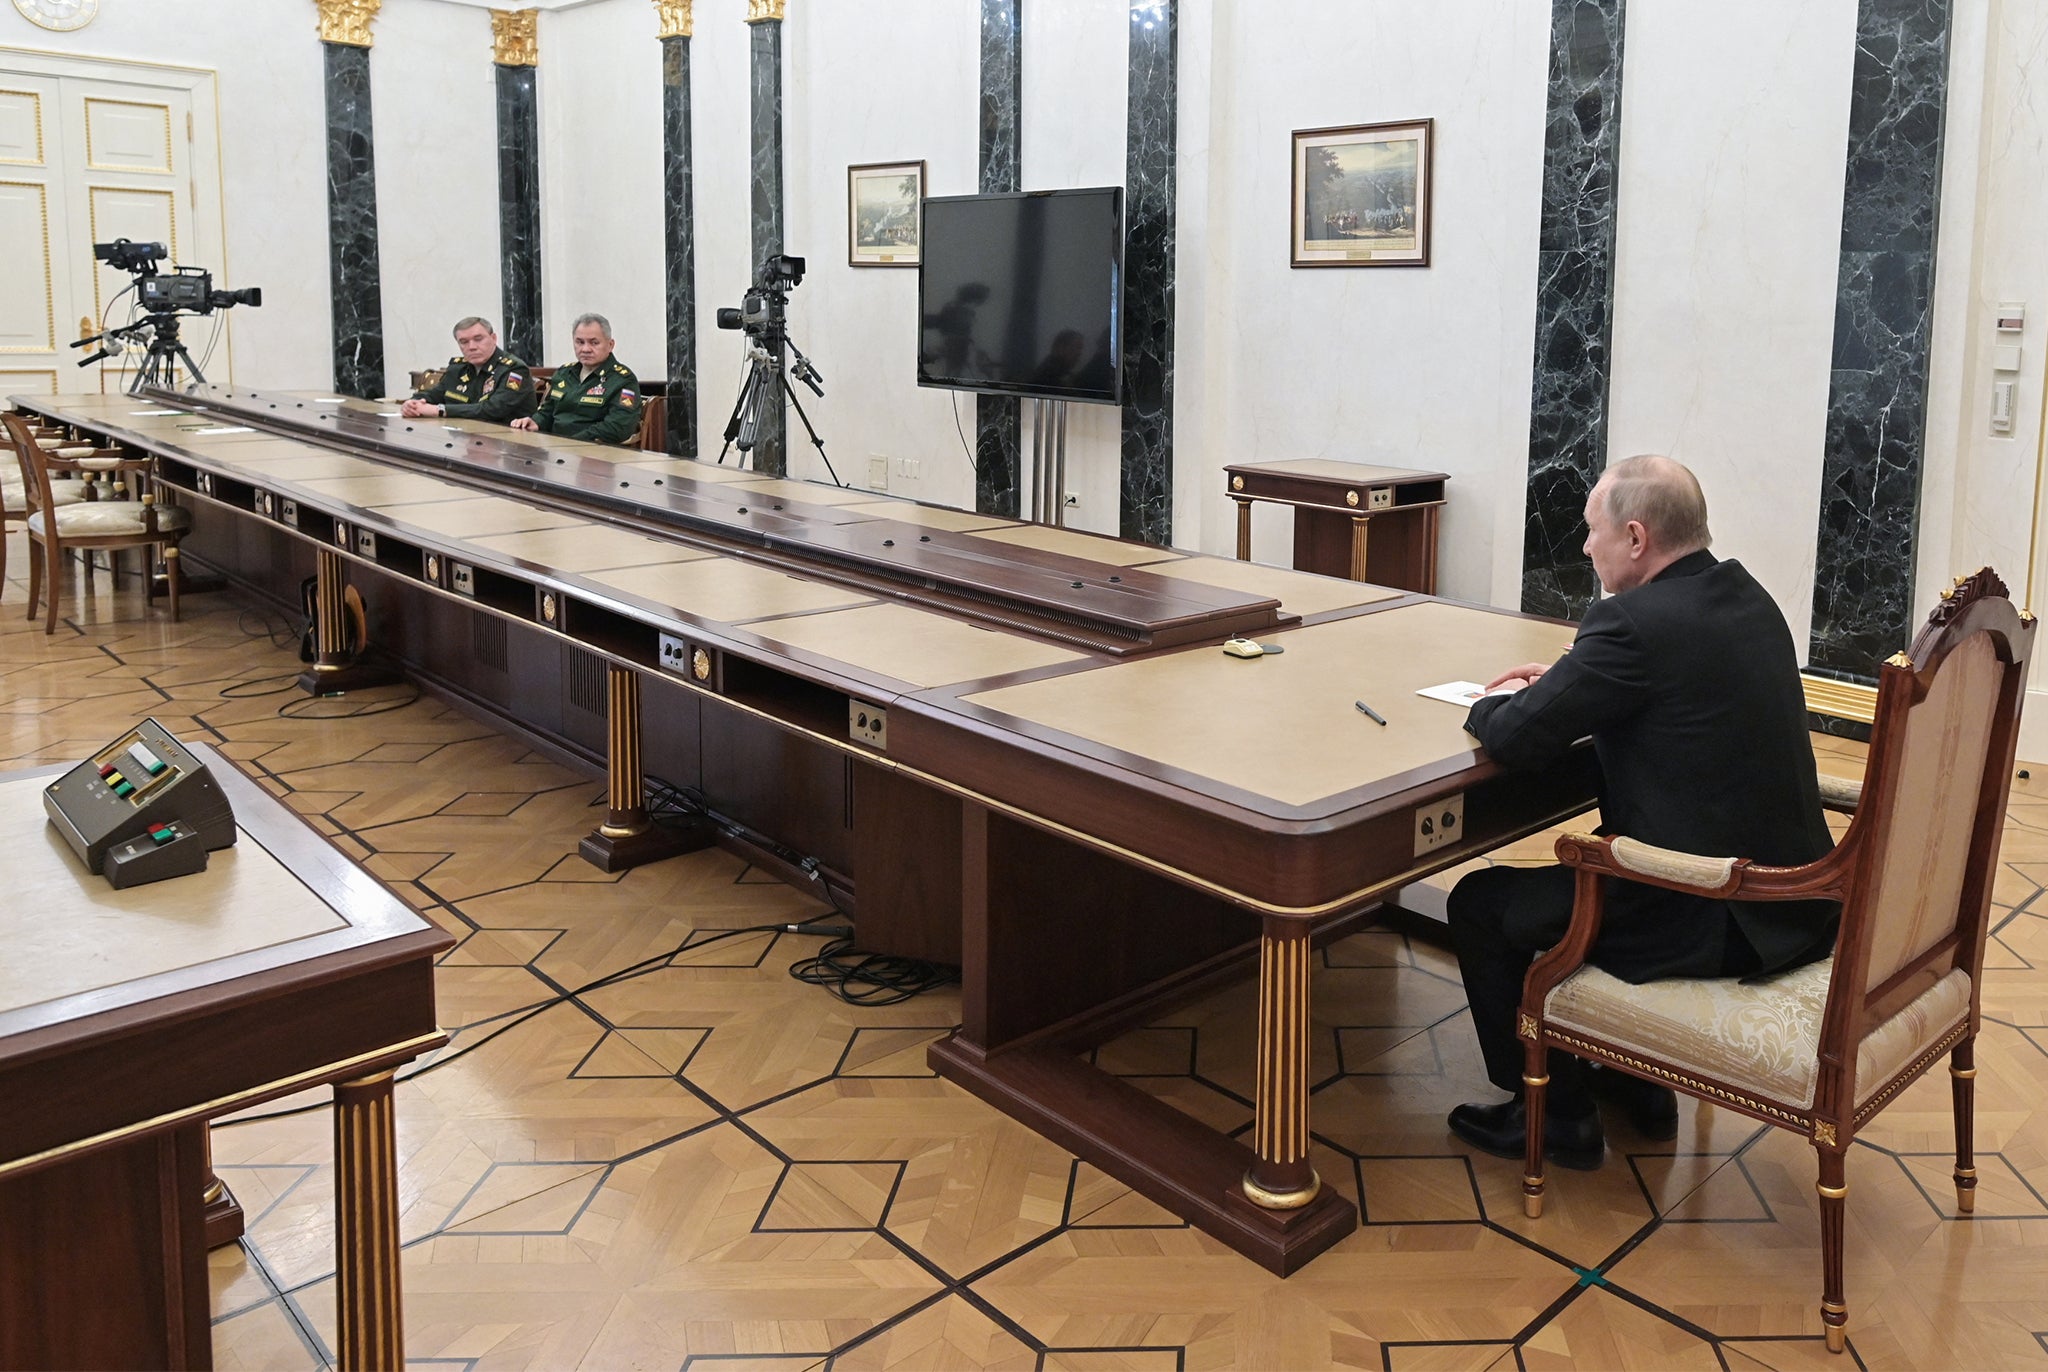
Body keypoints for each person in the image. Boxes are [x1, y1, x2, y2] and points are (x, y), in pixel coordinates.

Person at [1446, 454, 1839, 1171]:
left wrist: (1492, 701)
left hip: (1713, 907)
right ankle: (1640, 1089)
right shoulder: (1746, 596)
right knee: (1604, 852)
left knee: (1479, 903)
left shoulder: (1628, 623)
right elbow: (1679, 697)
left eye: (1592, 532)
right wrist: (1574, 677)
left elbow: (1517, 737)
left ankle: (1554, 1115)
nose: (1584, 547)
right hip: (1801, 902)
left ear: (1635, 536)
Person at [510, 313, 643, 444]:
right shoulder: (564, 373)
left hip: (595, 454)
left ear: (610, 345)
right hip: (556, 449)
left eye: (594, 343)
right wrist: (535, 422)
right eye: (580, 342)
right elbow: (548, 411)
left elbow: (617, 428)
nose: (585, 349)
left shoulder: (623, 380)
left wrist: (573, 442)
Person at [402, 317, 536, 424]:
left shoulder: (514, 370)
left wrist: (441, 410)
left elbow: (493, 410)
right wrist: (413, 403)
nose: (472, 347)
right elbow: (435, 394)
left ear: (493, 339)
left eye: (478, 339)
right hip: (466, 436)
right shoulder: (458, 368)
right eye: (464, 342)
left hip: (508, 442)